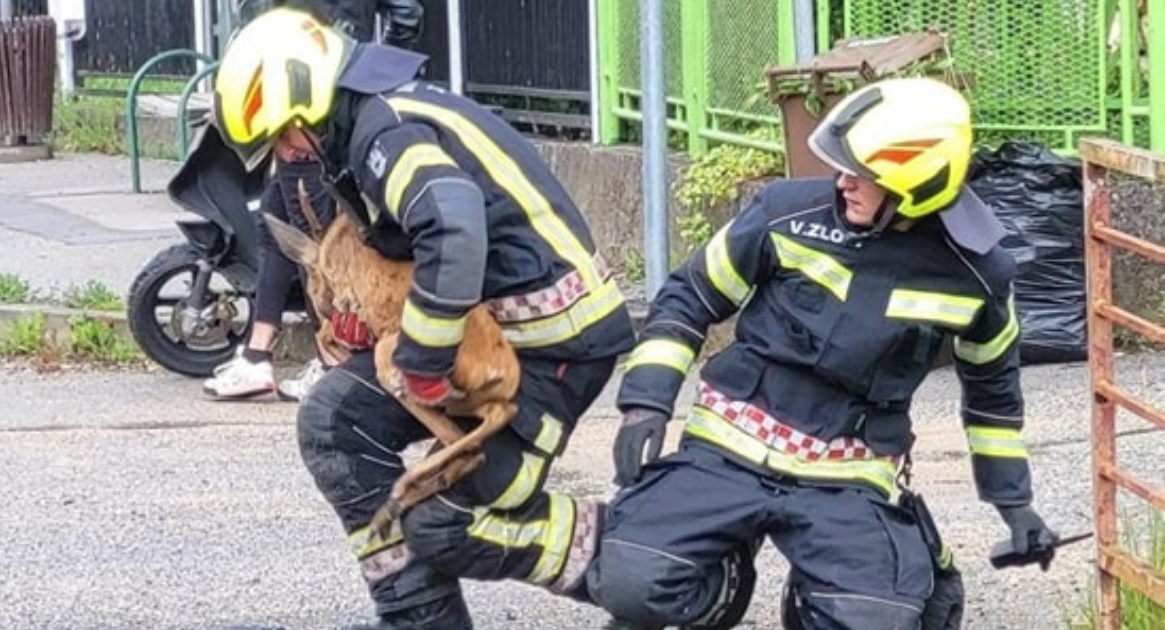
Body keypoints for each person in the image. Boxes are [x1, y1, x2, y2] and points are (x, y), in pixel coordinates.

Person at [209, 7, 637, 629]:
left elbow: (454, 227)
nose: (286, 153)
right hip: (490, 339)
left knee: (449, 522)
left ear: (309, 100)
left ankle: (654, 564)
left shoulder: (388, 129)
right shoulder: (371, 116)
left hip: (553, 348)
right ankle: (418, 618)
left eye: (283, 135)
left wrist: (422, 359)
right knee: (333, 421)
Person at [584, 77, 1061, 630]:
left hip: (849, 470)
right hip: (729, 444)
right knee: (630, 582)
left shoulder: (978, 276)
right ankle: (721, 584)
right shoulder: (784, 213)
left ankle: (818, 602)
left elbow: (993, 398)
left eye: (862, 173)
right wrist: (645, 404)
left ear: (916, 186)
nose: (842, 182)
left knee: (889, 618)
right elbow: (686, 298)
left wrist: (1014, 504)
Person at [202, 0, 425, 402]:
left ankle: (332, 364)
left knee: (319, 247)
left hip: (295, 99)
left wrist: (240, 91)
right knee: (276, 220)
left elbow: (255, 19)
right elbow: (406, 12)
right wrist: (378, 70)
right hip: (335, 83)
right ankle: (258, 354)